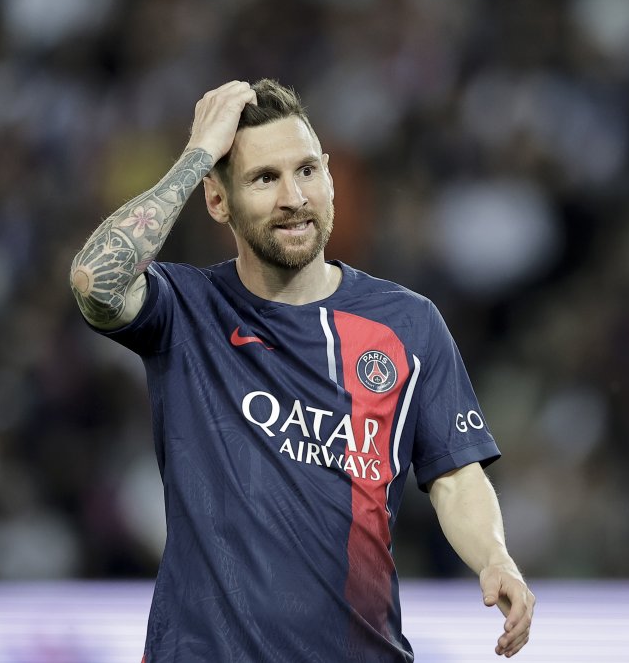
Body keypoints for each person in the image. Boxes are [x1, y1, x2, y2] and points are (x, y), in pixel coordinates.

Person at [70, 79, 535, 661]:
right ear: (218, 201)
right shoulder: (187, 310)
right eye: (265, 178)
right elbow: (96, 281)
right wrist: (195, 158)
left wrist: (495, 558)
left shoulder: (407, 325)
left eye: (308, 171)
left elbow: (455, 475)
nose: (294, 196)